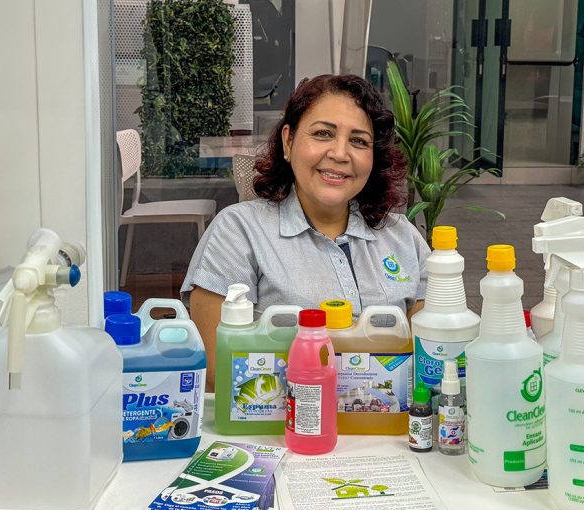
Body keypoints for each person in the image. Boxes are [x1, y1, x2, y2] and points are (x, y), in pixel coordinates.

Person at [180, 74, 430, 391]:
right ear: (289, 141)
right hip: (278, 435)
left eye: (358, 141)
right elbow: (218, 377)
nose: (340, 153)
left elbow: (434, 358)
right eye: (323, 134)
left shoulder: (402, 235)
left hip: (388, 433)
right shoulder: (238, 232)